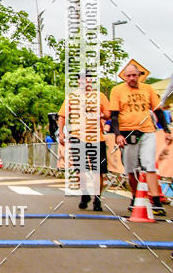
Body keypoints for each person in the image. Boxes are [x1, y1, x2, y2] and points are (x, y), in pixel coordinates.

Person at [109, 63, 171, 217]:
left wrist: (167, 131)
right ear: (124, 77)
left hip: (147, 131)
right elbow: (114, 116)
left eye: (134, 75)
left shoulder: (148, 89)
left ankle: (156, 201)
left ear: (139, 76)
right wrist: (118, 135)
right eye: (128, 76)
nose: (131, 78)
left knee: (149, 165)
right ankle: (135, 197)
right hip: (128, 133)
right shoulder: (117, 90)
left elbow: (158, 111)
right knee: (130, 169)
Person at [58, 73, 111, 210]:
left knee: (97, 170)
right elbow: (62, 115)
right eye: (81, 79)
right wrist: (61, 133)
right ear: (78, 81)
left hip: (96, 137)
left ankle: (97, 199)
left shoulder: (100, 96)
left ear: (91, 80)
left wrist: (102, 114)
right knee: (79, 168)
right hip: (77, 135)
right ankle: (84, 193)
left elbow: (108, 113)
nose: (84, 82)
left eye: (87, 79)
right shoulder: (72, 97)